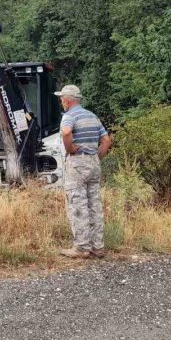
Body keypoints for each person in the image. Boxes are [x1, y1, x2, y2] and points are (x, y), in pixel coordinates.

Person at [54, 84, 112, 259]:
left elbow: (65, 133)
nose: (61, 101)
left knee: (77, 204)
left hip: (77, 163)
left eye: (62, 98)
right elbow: (107, 141)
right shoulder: (92, 116)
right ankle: (98, 247)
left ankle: (81, 247)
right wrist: (95, 157)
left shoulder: (69, 116)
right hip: (94, 163)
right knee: (94, 205)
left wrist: (70, 148)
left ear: (67, 100)